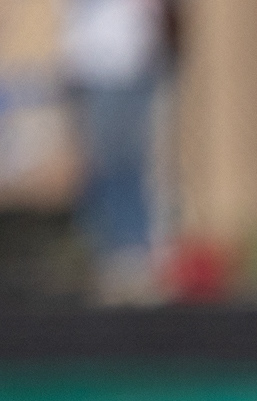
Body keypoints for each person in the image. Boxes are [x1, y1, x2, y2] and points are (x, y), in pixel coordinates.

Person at [60, 0, 173, 303]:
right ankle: (111, 255)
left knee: (120, 164)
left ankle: (131, 256)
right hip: (90, 67)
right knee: (98, 169)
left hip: (119, 64)